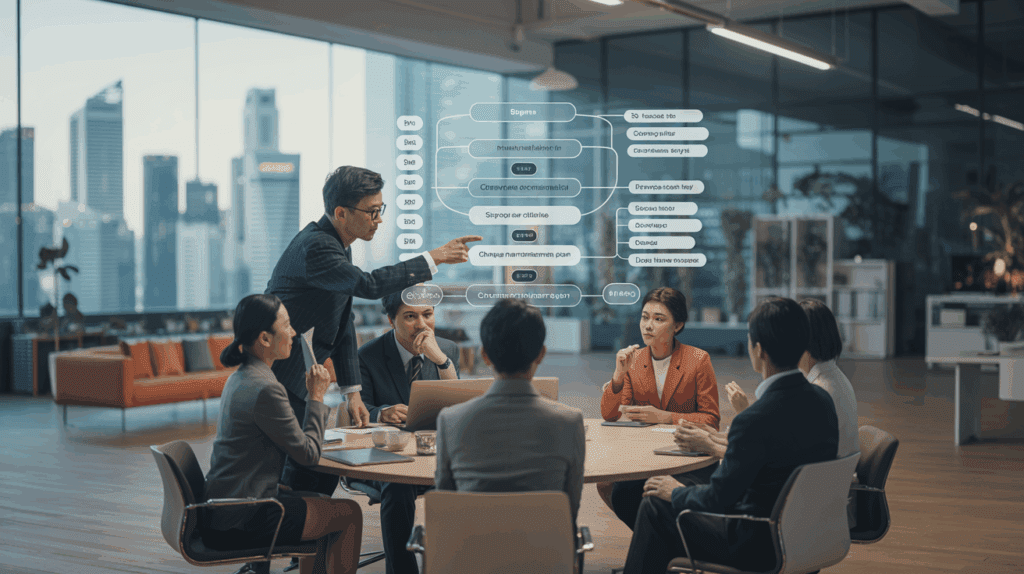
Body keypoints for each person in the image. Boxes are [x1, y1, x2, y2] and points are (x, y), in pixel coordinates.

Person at [267, 165, 480, 499]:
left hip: (301, 378)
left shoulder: (337, 245)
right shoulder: (317, 247)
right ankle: (292, 540)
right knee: (296, 472)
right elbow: (367, 285)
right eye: (372, 211)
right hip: (283, 377)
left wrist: (352, 391)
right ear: (340, 212)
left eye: (381, 210)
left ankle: (312, 545)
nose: (379, 219)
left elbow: (342, 321)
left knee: (314, 469)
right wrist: (433, 257)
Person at [621, 298, 839, 574]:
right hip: (807, 533)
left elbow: (717, 499)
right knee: (681, 489)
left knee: (655, 505)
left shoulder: (755, 419)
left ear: (759, 350)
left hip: (757, 542)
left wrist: (674, 492)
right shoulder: (822, 401)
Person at [203, 294, 363, 574]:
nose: (294, 333)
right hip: (247, 517)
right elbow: (309, 455)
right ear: (265, 339)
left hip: (224, 508)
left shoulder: (241, 377)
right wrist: (316, 396)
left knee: (319, 502)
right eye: (287, 326)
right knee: (349, 514)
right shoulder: (267, 388)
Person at [434, 298, 586, 526]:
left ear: (484, 355)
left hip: (470, 557)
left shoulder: (450, 420)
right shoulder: (569, 421)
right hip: (546, 557)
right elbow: (569, 509)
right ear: (541, 354)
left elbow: (446, 505)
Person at [596, 287, 721, 530]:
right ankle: (656, 541)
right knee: (610, 486)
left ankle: (658, 544)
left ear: (678, 325)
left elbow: (711, 420)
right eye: (645, 317)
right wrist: (618, 375)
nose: (648, 326)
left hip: (689, 460)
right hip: (645, 457)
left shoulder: (698, 360)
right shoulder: (635, 361)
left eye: (658, 319)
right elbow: (610, 415)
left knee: (649, 494)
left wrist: (665, 417)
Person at [354, 291, 460, 574]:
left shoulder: (447, 349)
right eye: (411, 316)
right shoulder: (367, 355)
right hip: (387, 458)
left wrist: (441, 361)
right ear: (391, 320)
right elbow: (356, 406)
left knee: (469, 477)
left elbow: (457, 403)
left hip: (434, 453)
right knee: (398, 485)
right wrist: (380, 413)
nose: (422, 324)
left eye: (428, 314)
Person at [675, 298, 858, 459]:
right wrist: (711, 435)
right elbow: (771, 441)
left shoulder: (817, 392)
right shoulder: (832, 379)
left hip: (809, 489)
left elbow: (767, 457)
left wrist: (712, 443)